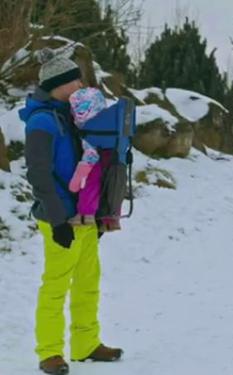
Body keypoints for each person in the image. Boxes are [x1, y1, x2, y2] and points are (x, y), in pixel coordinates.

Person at [18, 48, 122, 375]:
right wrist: (58, 218)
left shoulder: (75, 116)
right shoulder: (41, 122)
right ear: (59, 84)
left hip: (86, 216)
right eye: (73, 79)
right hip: (59, 217)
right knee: (56, 284)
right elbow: (37, 173)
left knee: (88, 281)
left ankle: (85, 343)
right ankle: (49, 351)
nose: (79, 83)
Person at [68, 87, 121, 231]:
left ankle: (85, 215)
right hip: (114, 160)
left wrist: (76, 180)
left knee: (91, 185)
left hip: (97, 161)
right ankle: (111, 219)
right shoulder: (110, 124)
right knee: (110, 187)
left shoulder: (91, 129)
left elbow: (90, 156)